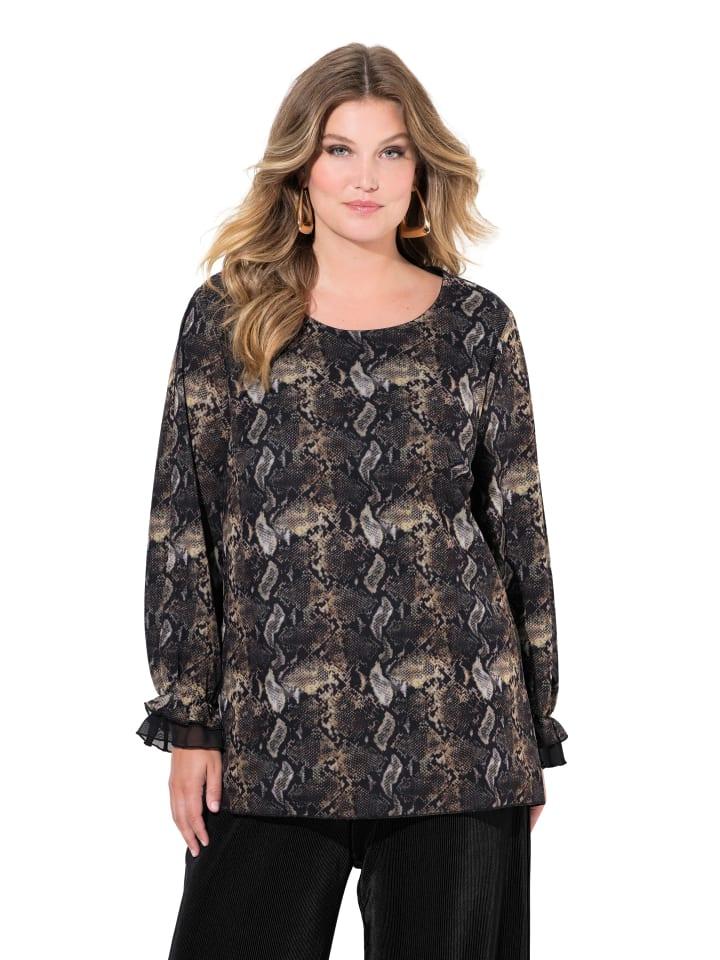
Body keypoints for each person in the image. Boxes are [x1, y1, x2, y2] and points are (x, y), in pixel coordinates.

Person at [135, 42, 567, 960]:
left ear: (420, 173)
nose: (365, 178)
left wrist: (531, 731)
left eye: (391, 151)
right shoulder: (230, 318)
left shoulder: (478, 327)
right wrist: (190, 720)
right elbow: (185, 525)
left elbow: (517, 531)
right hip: (269, 732)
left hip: (462, 736)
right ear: (302, 169)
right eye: (340, 150)